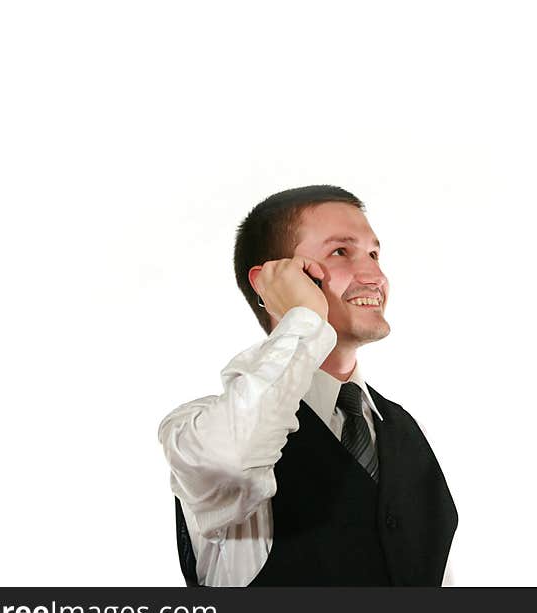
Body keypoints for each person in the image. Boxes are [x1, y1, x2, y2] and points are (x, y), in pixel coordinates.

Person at [158, 185, 458, 586]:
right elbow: (232, 461)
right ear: (270, 280)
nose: (375, 276)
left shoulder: (403, 430)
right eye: (340, 252)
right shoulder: (201, 429)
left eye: (374, 254)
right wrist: (302, 318)